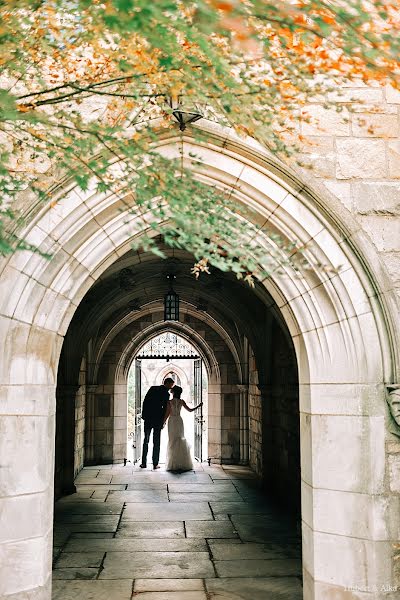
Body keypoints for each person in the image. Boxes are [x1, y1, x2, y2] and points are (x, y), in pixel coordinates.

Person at [163, 385, 203, 472]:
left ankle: (173, 463)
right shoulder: (181, 401)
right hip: (179, 420)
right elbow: (190, 410)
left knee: (172, 440)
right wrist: (198, 406)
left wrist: (163, 422)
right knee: (180, 438)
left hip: (172, 421)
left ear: (173, 393)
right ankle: (182, 462)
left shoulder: (169, 402)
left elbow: (167, 414)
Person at [140, 377, 174, 470]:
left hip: (148, 418)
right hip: (157, 420)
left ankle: (144, 463)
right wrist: (163, 421)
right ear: (166, 383)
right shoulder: (166, 394)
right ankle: (155, 464)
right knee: (156, 442)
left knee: (146, 440)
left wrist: (144, 415)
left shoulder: (153, 388)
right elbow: (165, 408)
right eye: (171, 385)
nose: (171, 387)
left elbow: (145, 401)